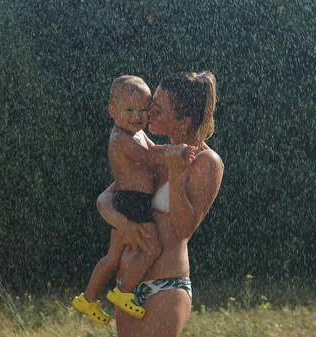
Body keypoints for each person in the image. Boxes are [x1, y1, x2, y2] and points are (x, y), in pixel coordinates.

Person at [96, 71, 224, 336]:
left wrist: (177, 173)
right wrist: (124, 225)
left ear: (184, 121)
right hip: (127, 288)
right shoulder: (152, 154)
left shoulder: (206, 163)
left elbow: (183, 228)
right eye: (152, 101)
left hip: (166, 286)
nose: (148, 111)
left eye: (158, 107)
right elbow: (104, 201)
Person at [73, 75, 196, 325]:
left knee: (112, 257)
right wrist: (174, 157)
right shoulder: (120, 139)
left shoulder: (136, 134)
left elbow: (153, 149)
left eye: (142, 109)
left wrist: (177, 149)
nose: (136, 116)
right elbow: (148, 158)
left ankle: (88, 297)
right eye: (128, 109)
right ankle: (123, 293)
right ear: (112, 111)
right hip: (133, 203)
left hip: (125, 201)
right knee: (153, 247)